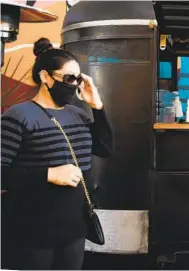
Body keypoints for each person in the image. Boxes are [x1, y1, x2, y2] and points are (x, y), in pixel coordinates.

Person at [1, 37, 114, 270]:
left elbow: (105, 148)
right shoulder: (19, 116)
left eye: (78, 79)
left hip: (73, 231)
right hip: (33, 233)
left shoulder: (78, 115)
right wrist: (47, 174)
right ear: (45, 77)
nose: (74, 84)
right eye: (68, 78)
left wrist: (97, 106)